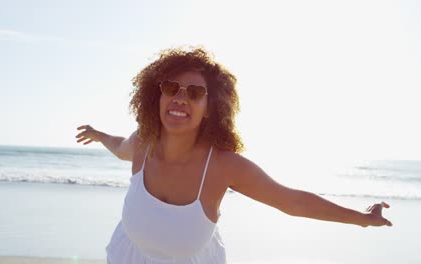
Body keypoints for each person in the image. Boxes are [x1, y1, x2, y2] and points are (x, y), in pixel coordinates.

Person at [76, 46, 392, 264]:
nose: (181, 98)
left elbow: (291, 201)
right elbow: (119, 147)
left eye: (195, 92)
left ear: (210, 109)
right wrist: (98, 134)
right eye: (172, 87)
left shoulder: (223, 167)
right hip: (130, 257)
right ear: (156, 95)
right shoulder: (143, 143)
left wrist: (362, 219)